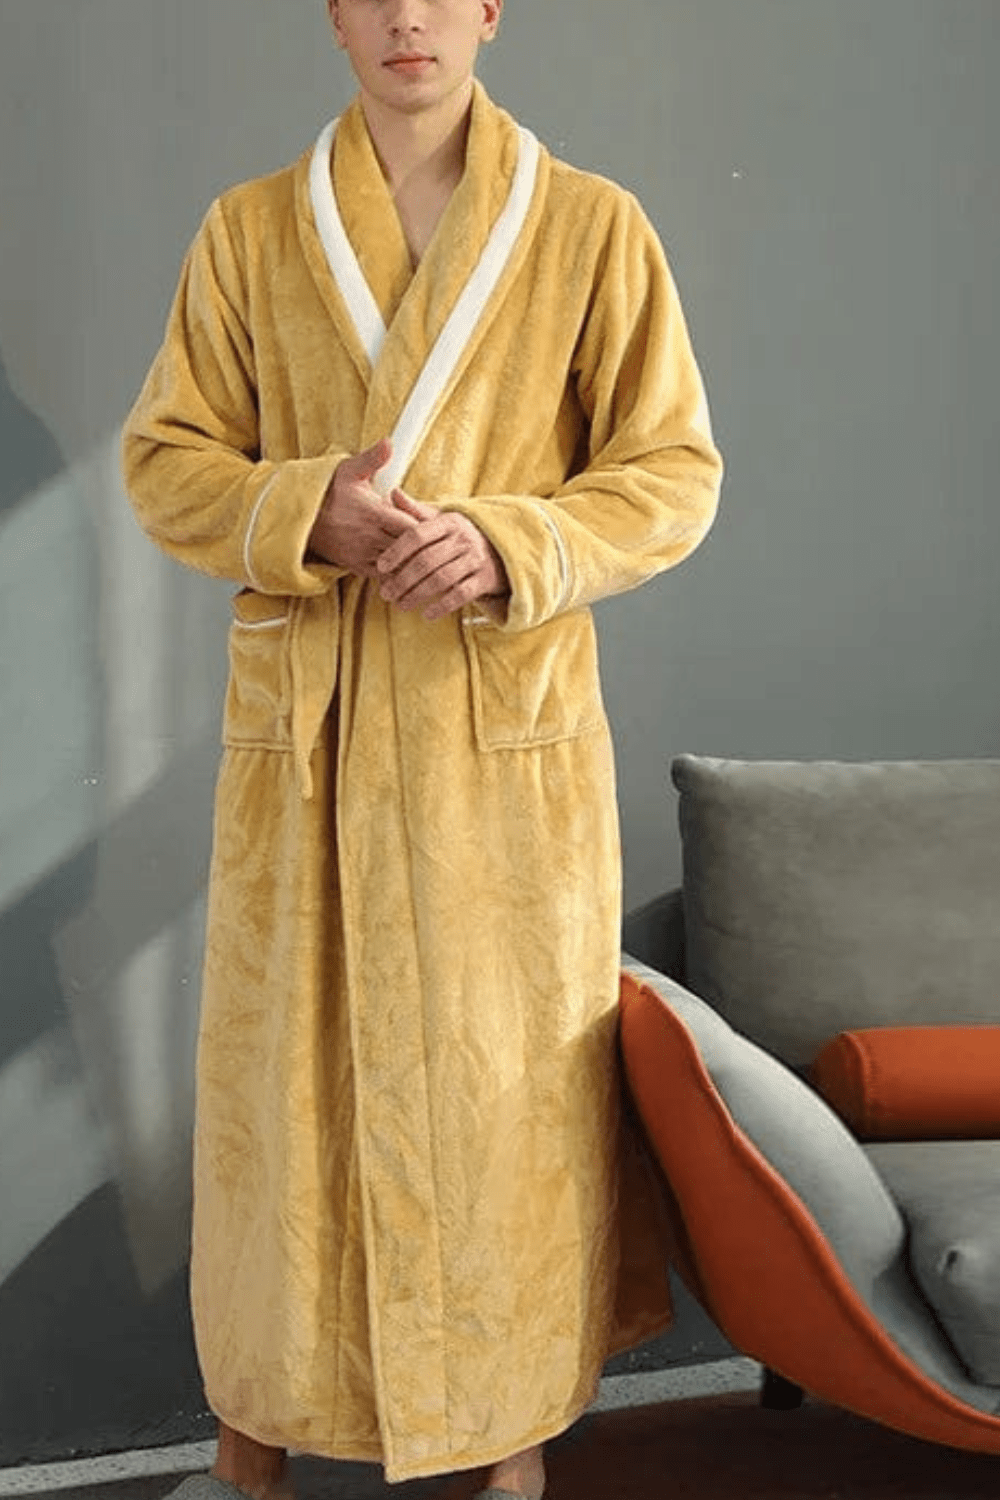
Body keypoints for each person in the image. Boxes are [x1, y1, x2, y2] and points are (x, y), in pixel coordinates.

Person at [121, 2, 723, 1497]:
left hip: (493, 753)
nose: (408, 16)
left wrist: (513, 544)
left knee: (503, 1093)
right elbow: (165, 460)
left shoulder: (589, 226)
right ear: (334, 17)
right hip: (308, 746)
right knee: (285, 1097)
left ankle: (505, 1447)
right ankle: (253, 1438)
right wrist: (300, 510)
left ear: (490, 10)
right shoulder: (250, 231)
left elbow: (670, 473)